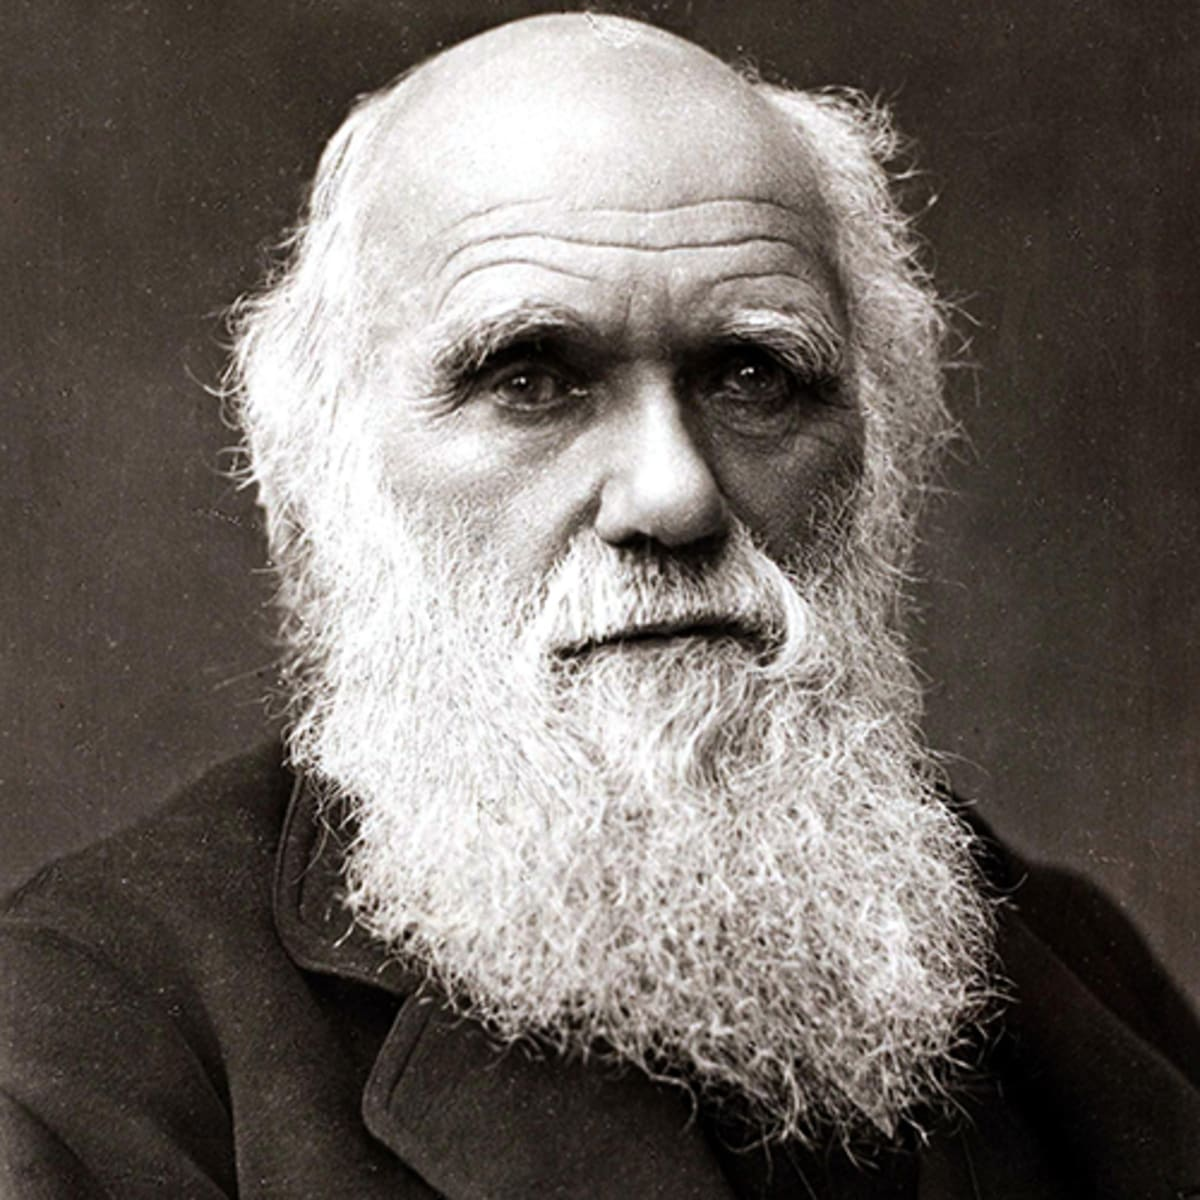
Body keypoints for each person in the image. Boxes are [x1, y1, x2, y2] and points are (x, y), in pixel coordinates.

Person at [2, 13, 1198, 1198]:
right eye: (531, 380)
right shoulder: (73, 1048)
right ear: (312, 476)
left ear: (881, 449)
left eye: (753, 374)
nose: (675, 496)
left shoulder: (1075, 974)